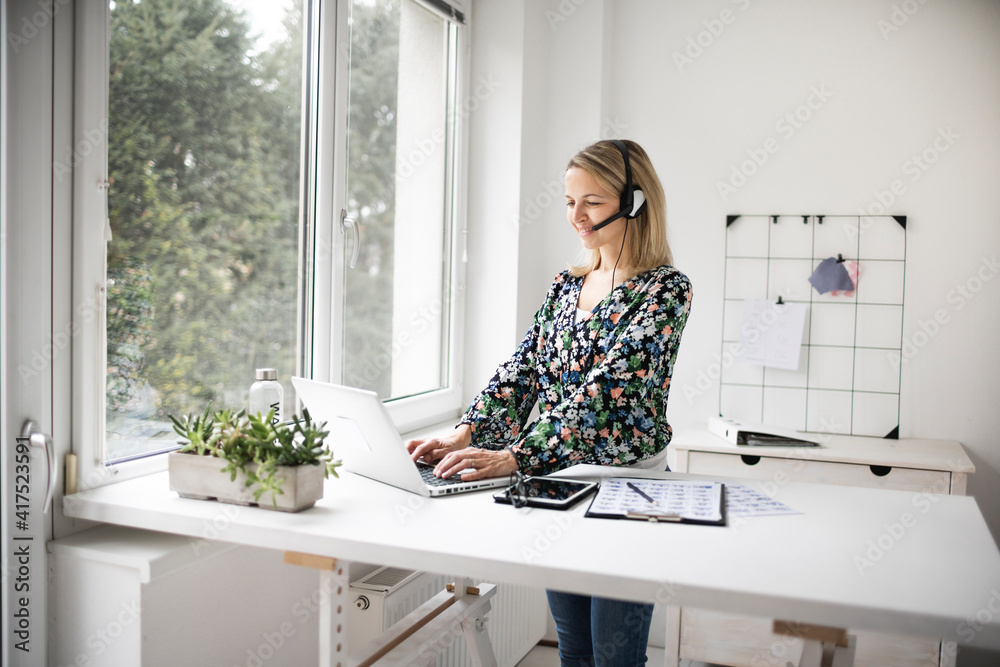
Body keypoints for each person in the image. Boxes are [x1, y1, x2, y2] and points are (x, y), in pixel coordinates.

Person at [407, 139, 693, 667]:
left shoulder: (665, 290)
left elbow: (610, 395)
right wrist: (466, 430)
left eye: (592, 202)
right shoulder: (568, 285)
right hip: (558, 483)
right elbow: (525, 369)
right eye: (568, 201)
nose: (576, 216)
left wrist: (516, 455)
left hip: (626, 493)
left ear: (634, 202)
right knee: (575, 650)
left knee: (616, 659)